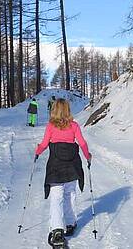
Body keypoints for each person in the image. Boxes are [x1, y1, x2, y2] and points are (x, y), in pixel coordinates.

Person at [35, 99, 92, 247]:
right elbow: (82, 143)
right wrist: (88, 156)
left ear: (54, 110)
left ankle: (57, 230)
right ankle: (70, 222)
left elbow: (44, 144)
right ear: (67, 110)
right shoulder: (74, 125)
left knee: (56, 198)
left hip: (56, 167)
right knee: (70, 194)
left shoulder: (51, 126)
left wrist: (38, 151)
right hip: (72, 165)